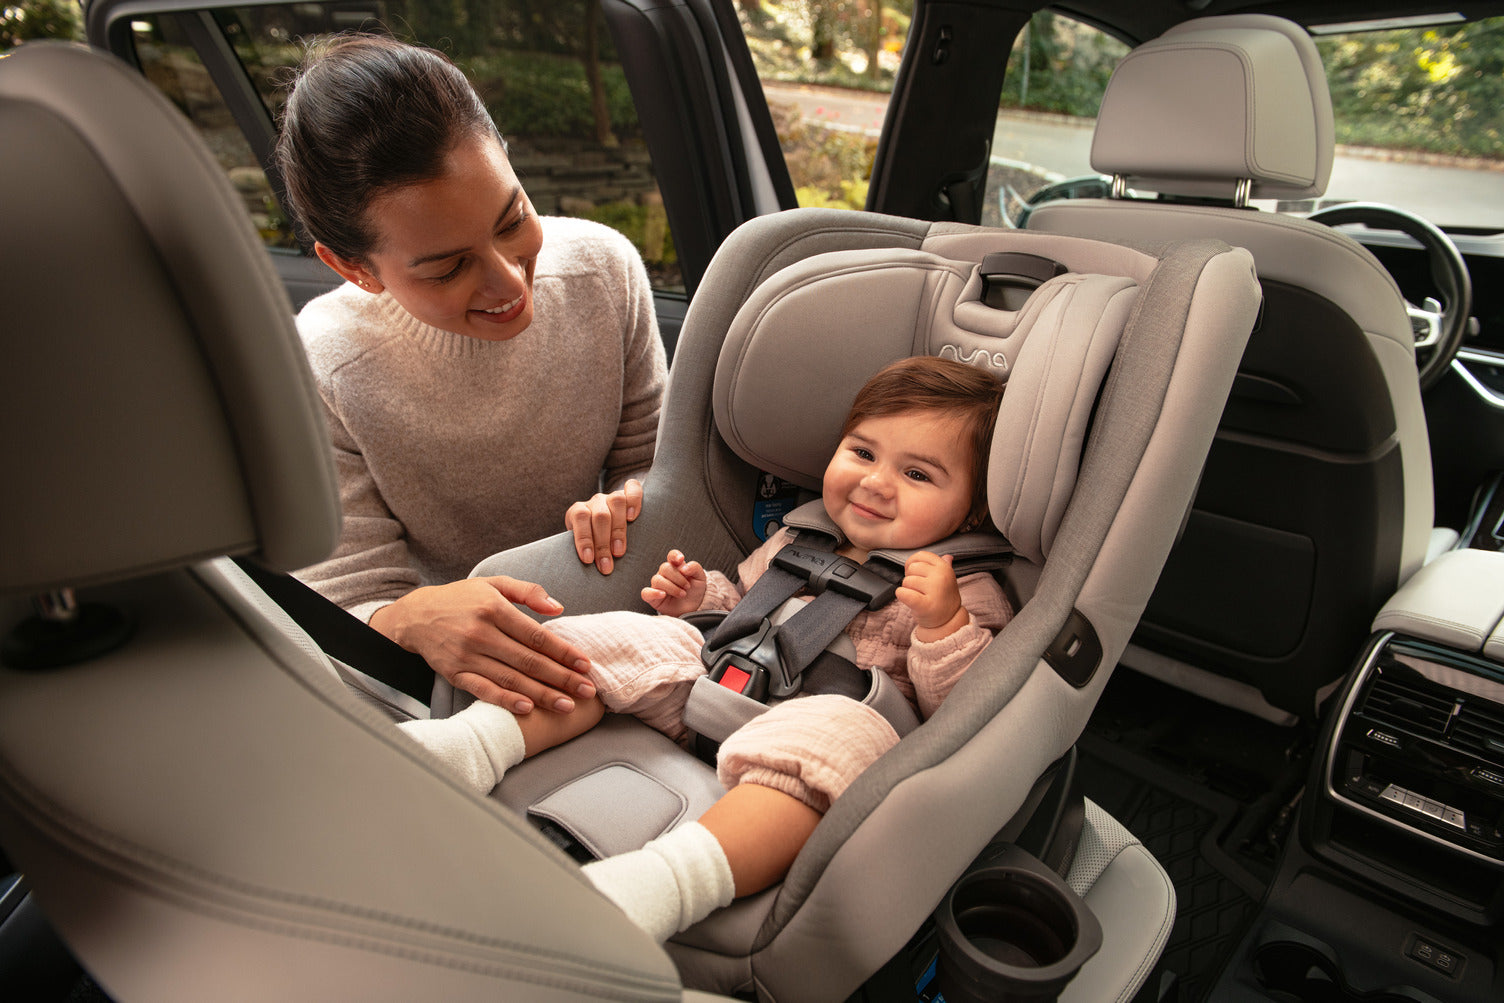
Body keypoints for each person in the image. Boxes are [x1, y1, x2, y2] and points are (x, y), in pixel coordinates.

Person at [400, 356, 1014, 941]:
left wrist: (943, 624)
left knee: (844, 735)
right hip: (712, 688)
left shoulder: (966, 588)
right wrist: (696, 598)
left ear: (974, 508)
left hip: (813, 730)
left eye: (917, 474)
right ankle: (469, 746)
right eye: (862, 452)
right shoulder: (799, 537)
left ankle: (664, 883)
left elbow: (963, 713)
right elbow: (745, 603)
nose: (876, 483)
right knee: (623, 639)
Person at [273, 34, 668, 719]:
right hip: (433, 684)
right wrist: (412, 618)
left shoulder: (605, 270)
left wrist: (629, 501)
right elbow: (341, 604)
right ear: (354, 269)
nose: (509, 279)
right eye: (447, 267)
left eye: (512, 218)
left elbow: (656, 467)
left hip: (610, 619)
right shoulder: (324, 365)